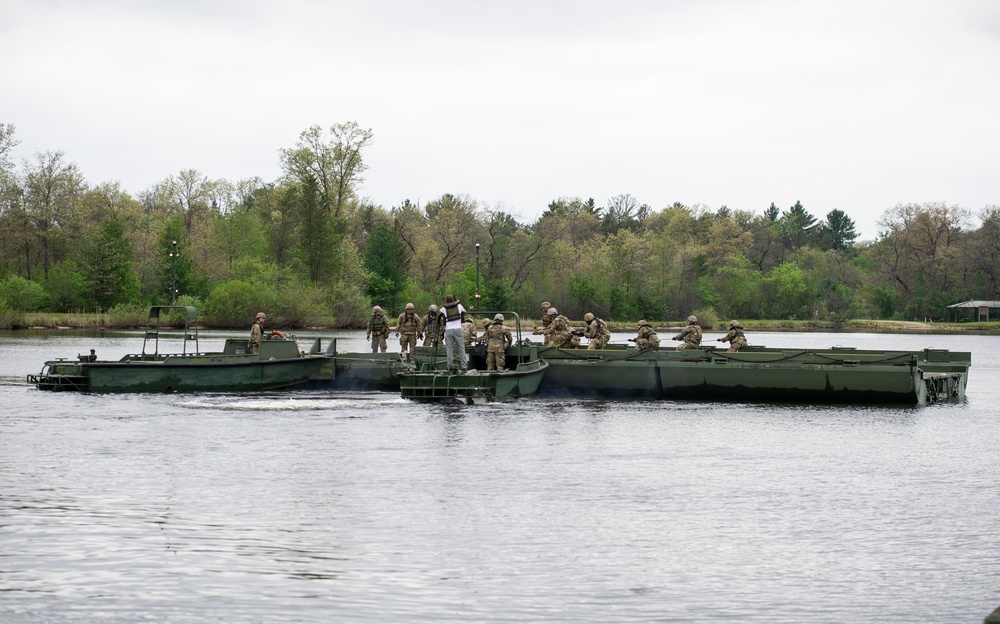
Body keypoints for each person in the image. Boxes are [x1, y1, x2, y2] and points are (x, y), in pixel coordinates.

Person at [441, 295, 468, 370]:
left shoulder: (444, 308)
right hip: (458, 329)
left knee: (449, 349)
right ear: (453, 300)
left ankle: (449, 366)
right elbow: (464, 311)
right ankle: (464, 366)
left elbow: (440, 311)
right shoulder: (459, 306)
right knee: (461, 348)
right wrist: (457, 302)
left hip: (449, 330)